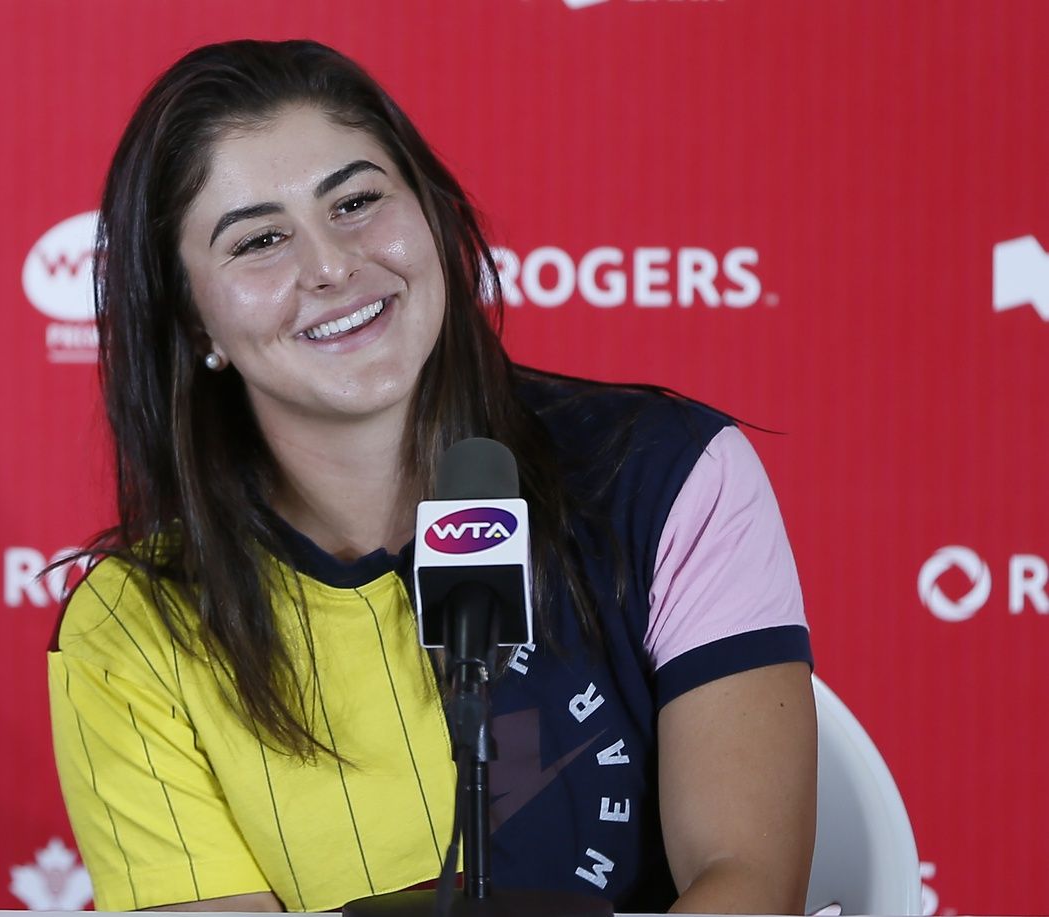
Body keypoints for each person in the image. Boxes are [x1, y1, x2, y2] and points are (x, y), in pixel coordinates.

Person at [48, 38, 816, 915]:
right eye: (259, 240)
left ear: (433, 216)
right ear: (194, 323)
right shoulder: (132, 625)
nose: (330, 265)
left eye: (356, 201)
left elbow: (747, 881)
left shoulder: (666, 475)